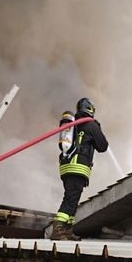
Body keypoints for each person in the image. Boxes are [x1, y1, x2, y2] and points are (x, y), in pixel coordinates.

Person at [50, 97, 108, 240]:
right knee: (71, 198)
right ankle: (57, 229)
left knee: (72, 198)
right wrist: (97, 128)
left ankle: (67, 231)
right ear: (91, 110)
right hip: (78, 167)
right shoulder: (91, 125)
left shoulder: (74, 125)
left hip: (66, 167)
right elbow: (103, 146)